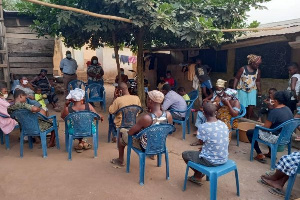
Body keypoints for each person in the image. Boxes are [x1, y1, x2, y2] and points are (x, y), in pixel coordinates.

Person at [110, 90, 173, 166]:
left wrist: (141, 130)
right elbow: (169, 130)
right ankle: (153, 154)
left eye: (147, 98)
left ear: (150, 101)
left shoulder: (146, 118)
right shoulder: (168, 115)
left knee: (122, 132)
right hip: (160, 144)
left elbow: (130, 133)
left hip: (145, 146)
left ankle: (120, 160)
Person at [182, 102, 229, 185]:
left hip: (211, 161)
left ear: (203, 113)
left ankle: (198, 175)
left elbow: (201, 141)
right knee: (202, 150)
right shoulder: (223, 124)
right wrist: (205, 148)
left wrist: (204, 148)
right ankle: (198, 174)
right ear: (216, 112)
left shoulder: (203, 126)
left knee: (185, 154)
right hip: (223, 158)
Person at [246, 91, 293, 163]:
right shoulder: (288, 109)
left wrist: (259, 126)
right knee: (272, 130)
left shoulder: (274, 112)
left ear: (276, 101)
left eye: (272, 99)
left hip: (275, 138)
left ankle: (260, 154)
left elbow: (266, 128)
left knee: (250, 132)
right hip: (286, 137)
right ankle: (270, 153)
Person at [191, 79, 240, 146]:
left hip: (228, 119)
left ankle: (221, 143)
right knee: (208, 121)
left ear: (231, 96)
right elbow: (217, 108)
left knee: (220, 125)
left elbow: (234, 114)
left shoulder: (236, 102)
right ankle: (201, 140)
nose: (224, 97)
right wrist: (209, 109)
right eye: (224, 95)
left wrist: (228, 104)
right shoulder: (223, 100)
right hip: (219, 115)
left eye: (226, 96)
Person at [61, 88, 100, 153]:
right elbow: (96, 117)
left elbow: (63, 117)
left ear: (72, 100)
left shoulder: (68, 109)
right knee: (85, 124)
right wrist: (99, 117)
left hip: (73, 131)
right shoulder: (88, 106)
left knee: (73, 125)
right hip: (89, 130)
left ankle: (81, 143)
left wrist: (66, 105)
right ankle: (82, 142)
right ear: (82, 99)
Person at [234, 54, 262, 119]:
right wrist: (234, 88)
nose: (258, 66)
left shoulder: (258, 71)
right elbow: (236, 78)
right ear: (252, 63)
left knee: (251, 104)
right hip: (242, 88)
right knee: (243, 104)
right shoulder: (242, 69)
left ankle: (249, 118)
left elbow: (257, 81)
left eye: (258, 65)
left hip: (252, 89)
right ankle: (243, 116)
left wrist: (259, 90)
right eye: (256, 64)